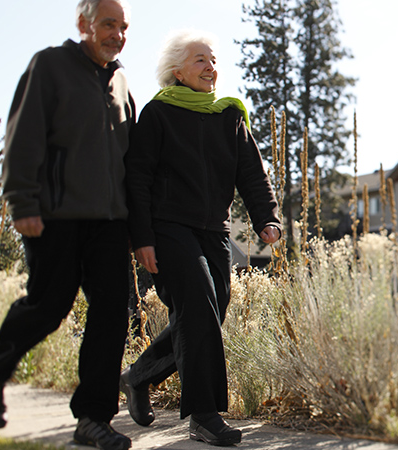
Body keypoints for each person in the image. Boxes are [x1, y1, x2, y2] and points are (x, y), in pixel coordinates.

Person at [0, 1, 135, 449]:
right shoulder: (50, 65)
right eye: (108, 24)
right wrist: (22, 202)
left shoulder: (120, 82)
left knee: (110, 319)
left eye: (123, 27)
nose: (117, 34)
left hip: (110, 222)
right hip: (57, 216)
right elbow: (22, 136)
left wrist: (138, 229)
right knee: (48, 304)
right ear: (83, 25)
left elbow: (129, 161)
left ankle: (93, 419)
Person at [119, 29, 281, 447]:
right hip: (168, 227)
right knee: (197, 303)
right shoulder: (158, 115)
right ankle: (205, 416)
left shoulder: (230, 116)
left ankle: (138, 376)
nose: (211, 68)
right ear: (177, 71)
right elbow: (137, 179)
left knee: (211, 308)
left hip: (215, 230)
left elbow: (252, 174)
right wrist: (142, 238)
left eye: (213, 60)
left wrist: (268, 218)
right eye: (200, 60)